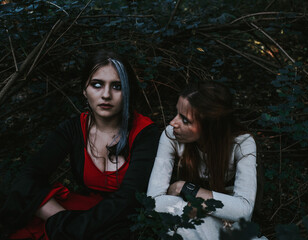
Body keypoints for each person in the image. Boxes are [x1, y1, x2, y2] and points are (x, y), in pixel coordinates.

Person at [0, 49, 159, 239]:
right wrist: (63, 220)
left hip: (122, 221)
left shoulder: (146, 133)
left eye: (117, 86)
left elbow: (130, 199)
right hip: (77, 213)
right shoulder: (73, 129)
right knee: (27, 192)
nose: (106, 94)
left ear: (129, 91)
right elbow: (30, 174)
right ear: (84, 90)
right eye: (97, 85)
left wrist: (71, 228)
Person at [147, 82, 266, 240]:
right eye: (177, 113)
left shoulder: (242, 143)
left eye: (185, 120)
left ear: (210, 127)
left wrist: (184, 188)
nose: (173, 123)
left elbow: (244, 211)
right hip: (203, 213)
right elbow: (153, 203)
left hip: (225, 222)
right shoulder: (171, 135)